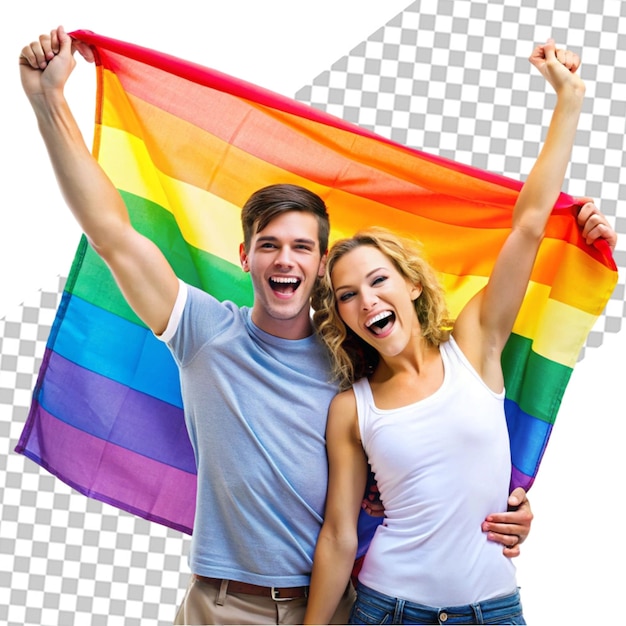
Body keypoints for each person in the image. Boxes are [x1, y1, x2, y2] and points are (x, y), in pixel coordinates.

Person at [18, 27, 614, 626]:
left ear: (320, 267)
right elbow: (112, 235)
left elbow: (431, 448)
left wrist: (501, 505)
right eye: (270, 246)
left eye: (303, 247)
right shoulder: (203, 332)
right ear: (245, 256)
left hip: (342, 604)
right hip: (225, 606)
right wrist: (50, 104)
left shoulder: (355, 369)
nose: (285, 260)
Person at [304, 40, 603, 625]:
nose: (366, 301)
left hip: (494, 611)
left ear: (411, 286)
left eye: (378, 280)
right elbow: (339, 536)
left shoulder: (474, 345)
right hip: (387, 610)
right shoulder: (351, 409)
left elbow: (527, 227)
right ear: (341, 316)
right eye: (346, 296)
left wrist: (568, 100)